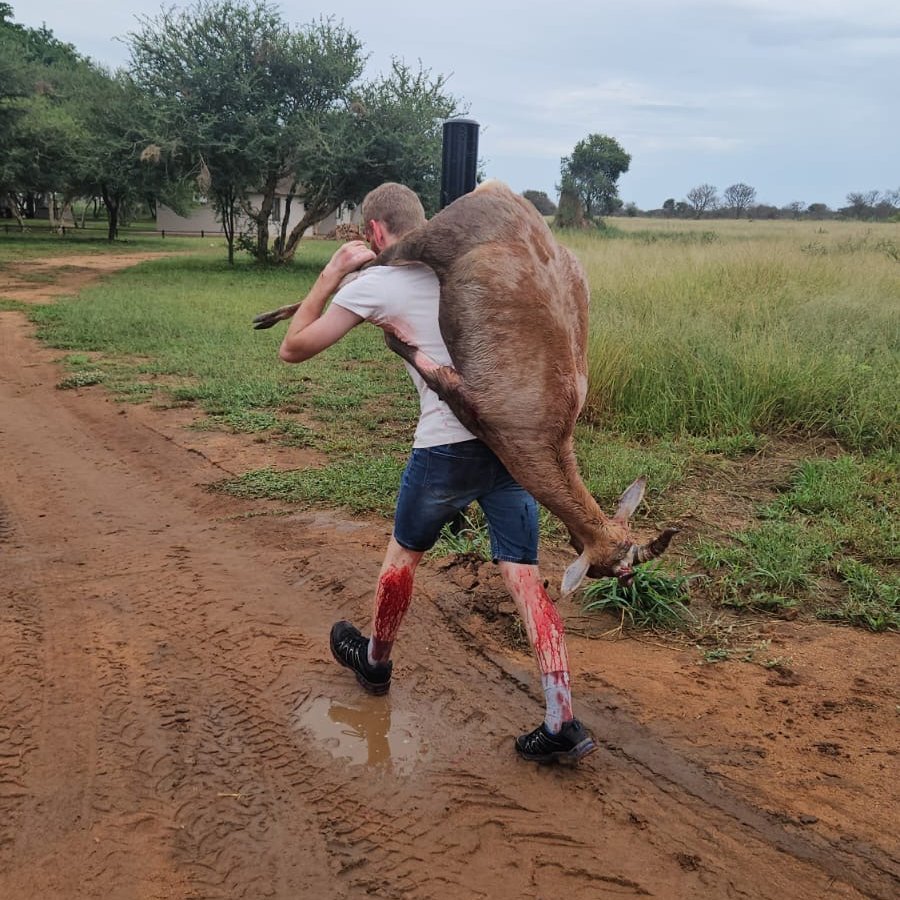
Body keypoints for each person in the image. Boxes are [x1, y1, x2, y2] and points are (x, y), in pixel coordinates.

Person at [279, 182, 596, 765]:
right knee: (524, 575)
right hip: (510, 448)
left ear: (375, 233)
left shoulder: (381, 282)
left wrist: (330, 276)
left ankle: (374, 663)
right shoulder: (476, 268)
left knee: (404, 556)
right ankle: (561, 719)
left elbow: (293, 348)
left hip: (445, 448)